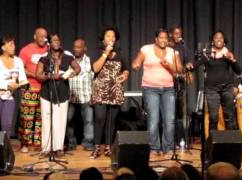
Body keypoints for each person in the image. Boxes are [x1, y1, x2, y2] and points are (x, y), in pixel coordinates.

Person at [132, 28, 183, 155]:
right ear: (156, 39)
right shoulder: (146, 49)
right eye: (161, 37)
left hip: (168, 89)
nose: (164, 40)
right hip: (150, 89)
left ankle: (168, 147)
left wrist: (168, 65)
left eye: (166, 38)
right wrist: (136, 64)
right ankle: (154, 147)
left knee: (169, 120)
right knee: (153, 119)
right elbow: (136, 62)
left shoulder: (173, 51)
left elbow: (180, 70)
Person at [36, 34, 80, 157]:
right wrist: (49, 76)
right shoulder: (44, 58)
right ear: (49, 43)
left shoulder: (67, 56)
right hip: (47, 93)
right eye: (54, 40)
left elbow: (77, 67)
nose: (57, 42)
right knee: (47, 121)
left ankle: (58, 147)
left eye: (58, 40)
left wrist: (72, 73)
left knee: (60, 121)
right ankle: (46, 148)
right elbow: (38, 75)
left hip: (62, 92)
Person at [187, 30, 241, 131]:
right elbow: (194, 66)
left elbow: (238, 71)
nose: (219, 39)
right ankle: (211, 144)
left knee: (229, 117)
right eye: (216, 37)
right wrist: (190, 66)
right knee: (213, 117)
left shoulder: (227, 54)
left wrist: (233, 60)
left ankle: (229, 144)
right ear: (212, 41)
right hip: (212, 90)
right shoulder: (207, 55)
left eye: (221, 37)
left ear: (224, 41)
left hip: (227, 88)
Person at [89, 27, 129, 159]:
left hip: (115, 90)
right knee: (100, 118)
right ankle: (96, 147)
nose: (111, 39)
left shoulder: (120, 53)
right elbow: (95, 69)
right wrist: (105, 53)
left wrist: (125, 74)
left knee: (112, 120)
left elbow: (126, 69)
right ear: (103, 39)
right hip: (100, 90)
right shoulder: (97, 51)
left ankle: (108, 147)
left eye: (113, 36)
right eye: (108, 36)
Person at [0, 37, 28, 138]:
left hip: (8, 96)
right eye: (11, 45)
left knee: (7, 125)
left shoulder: (18, 61)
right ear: (3, 47)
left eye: (14, 44)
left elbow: (22, 79)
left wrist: (21, 85)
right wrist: (7, 85)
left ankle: (5, 151)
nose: (14, 47)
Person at [18, 27, 48, 153]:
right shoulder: (25, 50)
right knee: (27, 117)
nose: (43, 39)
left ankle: (37, 143)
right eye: (40, 36)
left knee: (41, 117)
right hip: (29, 87)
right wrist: (34, 74)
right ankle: (25, 143)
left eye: (45, 36)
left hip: (44, 88)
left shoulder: (48, 49)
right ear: (34, 36)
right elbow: (20, 68)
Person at [66, 39, 94, 151]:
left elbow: (93, 79)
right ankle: (71, 143)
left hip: (85, 96)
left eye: (78, 47)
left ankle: (88, 143)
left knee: (88, 121)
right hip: (70, 96)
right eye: (75, 47)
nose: (76, 49)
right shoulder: (69, 60)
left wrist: (93, 95)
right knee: (68, 121)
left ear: (84, 48)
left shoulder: (90, 61)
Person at [169, 26, 192, 146]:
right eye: (176, 33)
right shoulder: (168, 47)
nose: (178, 35)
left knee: (179, 113)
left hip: (180, 84)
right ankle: (169, 140)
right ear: (171, 34)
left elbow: (186, 62)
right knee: (169, 113)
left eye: (180, 33)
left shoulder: (183, 47)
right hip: (168, 83)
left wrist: (187, 68)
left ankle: (181, 139)